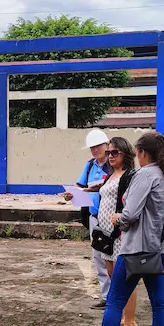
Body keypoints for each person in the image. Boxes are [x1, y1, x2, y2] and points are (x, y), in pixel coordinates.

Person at [70, 132, 164, 326]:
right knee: (160, 304)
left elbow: (129, 216)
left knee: (115, 301)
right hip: (161, 250)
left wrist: (118, 218)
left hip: (137, 250)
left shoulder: (144, 175)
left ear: (142, 153)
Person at [94, 137, 140, 326]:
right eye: (109, 152)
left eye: (115, 153)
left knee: (126, 283)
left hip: (121, 236)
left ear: (125, 154)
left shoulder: (131, 176)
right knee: (114, 281)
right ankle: (121, 319)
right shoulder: (111, 176)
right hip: (107, 237)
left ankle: (130, 325)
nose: (110, 156)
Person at [64, 129, 112, 309]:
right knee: (99, 257)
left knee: (113, 258)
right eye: (92, 148)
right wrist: (71, 193)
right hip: (94, 218)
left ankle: (116, 297)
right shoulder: (90, 165)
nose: (95, 150)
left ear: (107, 146)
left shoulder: (114, 164)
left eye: (98, 146)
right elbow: (80, 185)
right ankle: (107, 297)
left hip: (112, 219)